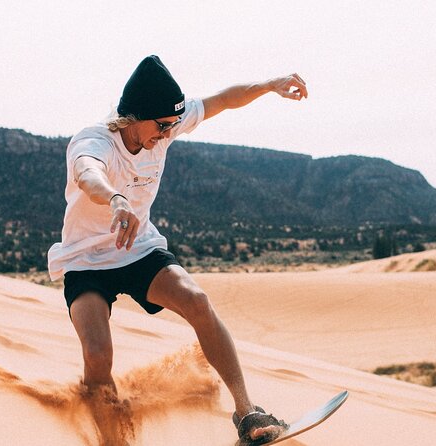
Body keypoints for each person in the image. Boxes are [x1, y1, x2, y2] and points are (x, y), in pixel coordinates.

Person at [47, 54, 307, 445]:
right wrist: (116, 200)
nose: (168, 133)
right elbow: (87, 172)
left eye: (174, 124)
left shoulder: (165, 122)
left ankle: (247, 413)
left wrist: (269, 85)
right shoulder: (94, 139)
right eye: (162, 126)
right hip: (85, 260)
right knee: (98, 354)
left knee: (197, 300)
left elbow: (222, 100)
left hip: (137, 249)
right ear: (133, 116)